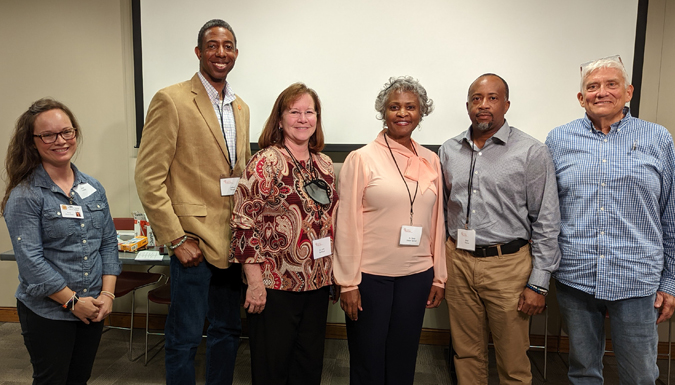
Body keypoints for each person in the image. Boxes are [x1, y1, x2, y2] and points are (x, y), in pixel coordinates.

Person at [546, 56, 675, 384]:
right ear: (581, 98)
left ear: (628, 92)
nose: (601, 92)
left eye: (611, 84)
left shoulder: (658, 139)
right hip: (576, 276)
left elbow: (670, 215)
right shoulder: (558, 140)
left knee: (641, 374)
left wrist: (670, 281)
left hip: (637, 277)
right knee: (583, 371)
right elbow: (547, 211)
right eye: (592, 87)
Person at [134, 19, 250, 385]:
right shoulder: (171, 99)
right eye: (213, 46)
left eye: (228, 46)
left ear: (235, 53)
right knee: (183, 338)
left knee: (227, 332)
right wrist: (176, 238)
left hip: (232, 243)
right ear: (199, 52)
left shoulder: (241, 107)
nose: (221, 53)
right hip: (193, 243)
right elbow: (149, 177)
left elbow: (241, 175)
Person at [439, 74, 560, 384]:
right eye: (477, 98)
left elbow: (546, 221)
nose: (484, 105)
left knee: (512, 359)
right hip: (459, 260)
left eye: (492, 98)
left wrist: (539, 283)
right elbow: (442, 209)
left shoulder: (531, 152)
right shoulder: (449, 150)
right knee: (466, 352)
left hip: (508, 265)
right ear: (467, 106)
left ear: (506, 104)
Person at [334, 76, 446, 384]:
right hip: (370, 277)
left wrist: (439, 276)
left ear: (421, 113)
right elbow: (345, 224)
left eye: (410, 107)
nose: (402, 113)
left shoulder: (431, 160)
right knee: (367, 360)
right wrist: (347, 283)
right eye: (394, 106)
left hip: (417, 274)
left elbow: (437, 222)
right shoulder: (361, 158)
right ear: (384, 111)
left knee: (403, 358)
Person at [2, 98, 121, 384]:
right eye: (48, 135)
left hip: (92, 306)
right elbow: (31, 262)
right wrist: (72, 303)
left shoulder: (92, 187)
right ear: (32, 142)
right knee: (52, 379)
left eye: (67, 132)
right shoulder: (26, 194)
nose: (60, 140)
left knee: (79, 378)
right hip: (48, 312)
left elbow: (107, 243)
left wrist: (107, 295)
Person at [230, 83, 338, 384]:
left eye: (309, 112)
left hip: (316, 283)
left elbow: (329, 220)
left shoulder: (324, 165)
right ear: (280, 119)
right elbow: (243, 224)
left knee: (309, 364)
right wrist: (254, 283)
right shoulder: (266, 162)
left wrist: (333, 276)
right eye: (294, 112)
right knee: (273, 368)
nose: (303, 119)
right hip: (274, 285)